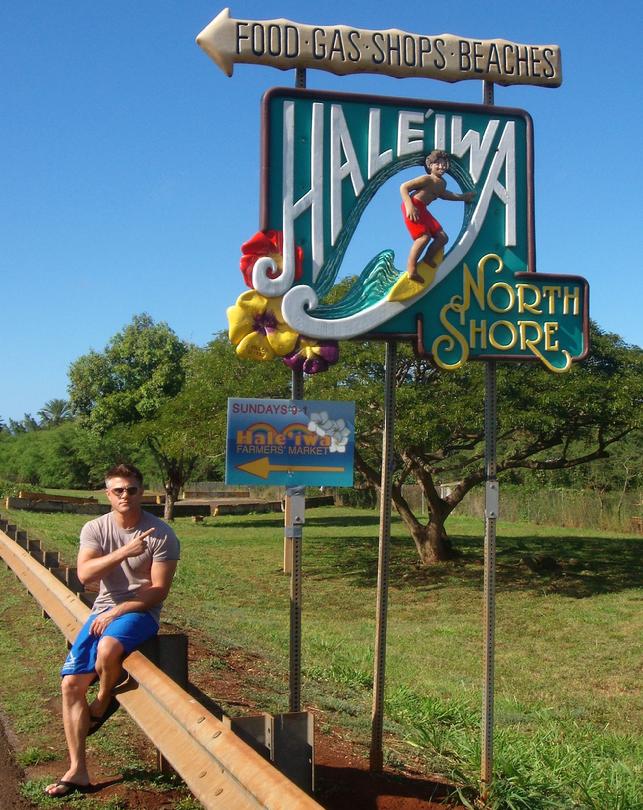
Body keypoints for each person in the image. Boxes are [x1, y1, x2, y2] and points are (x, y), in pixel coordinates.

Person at [44, 463, 180, 799]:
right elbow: (85, 575)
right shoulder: (95, 528)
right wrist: (124, 552)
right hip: (103, 610)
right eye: (118, 490)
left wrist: (120, 609)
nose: (125, 496)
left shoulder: (161, 534)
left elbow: (159, 589)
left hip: (140, 611)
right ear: (108, 494)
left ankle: (104, 701)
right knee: (71, 684)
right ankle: (77, 771)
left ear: (141, 492)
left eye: (131, 490)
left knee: (107, 648)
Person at [400, 149, 476, 281]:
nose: (441, 166)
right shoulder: (427, 179)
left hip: (423, 209)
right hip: (413, 206)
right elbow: (404, 187)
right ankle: (411, 270)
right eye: (438, 164)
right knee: (423, 238)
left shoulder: (442, 183)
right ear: (430, 165)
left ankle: (428, 258)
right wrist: (409, 206)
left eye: (444, 164)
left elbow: (446, 195)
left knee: (442, 237)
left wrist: (464, 197)